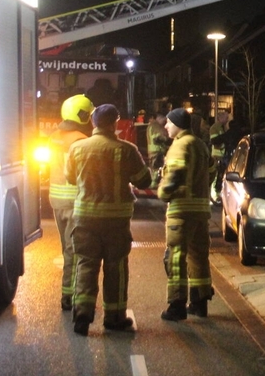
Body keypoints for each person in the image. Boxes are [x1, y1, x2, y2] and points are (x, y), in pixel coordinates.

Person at [66, 104, 152, 336]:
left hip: (85, 218)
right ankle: (114, 318)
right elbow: (144, 181)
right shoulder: (127, 149)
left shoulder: (77, 148)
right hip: (115, 221)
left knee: (85, 263)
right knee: (116, 268)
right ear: (114, 123)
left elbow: (71, 178)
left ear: (93, 123)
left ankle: (82, 314)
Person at [158, 108, 214, 321]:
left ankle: (177, 305)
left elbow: (177, 172)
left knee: (175, 257)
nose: (166, 126)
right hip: (201, 210)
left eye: (169, 123)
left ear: (178, 124)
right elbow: (211, 170)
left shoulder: (180, 144)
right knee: (198, 257)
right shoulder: (199, 144)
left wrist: (164, 192)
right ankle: (199, 303)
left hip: (182, 211)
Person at [47, 94, 94, 311]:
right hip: (76, 201)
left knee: (66, 248)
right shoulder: (81, 140)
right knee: (74, 250)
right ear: (82, 115)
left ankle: (67, 293)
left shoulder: (53, 137)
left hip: (56, 201)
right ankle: (70, 295)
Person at [208, 110, 229, 202]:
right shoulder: (215, 128)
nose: (227, 119)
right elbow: (215, 141)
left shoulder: (223, 127)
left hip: (222, 155)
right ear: (220, 118)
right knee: (215, 176)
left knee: (220, 176)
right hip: (217, 155)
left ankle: (217, 194)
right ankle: (214, 196)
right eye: (226, 117)